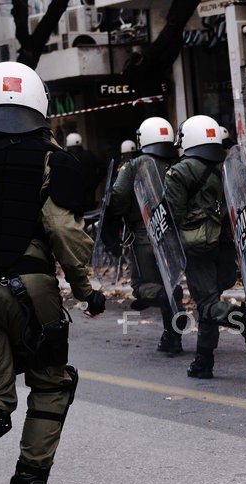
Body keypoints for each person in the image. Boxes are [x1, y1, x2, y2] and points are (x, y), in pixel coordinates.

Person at [0, 61, 105, 484]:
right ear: (39, 104)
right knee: (51, 382)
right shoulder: (52, 159)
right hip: (31, 290)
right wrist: (86, 290)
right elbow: (64, 231)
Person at [165, 114, 246, 378]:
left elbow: (173, 214)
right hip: (227, 245)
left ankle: (241, 320)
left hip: (199, 249)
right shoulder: (230, 164)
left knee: (207, 304)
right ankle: (203, 362)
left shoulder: (180, 171)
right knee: (209, 301)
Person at [103, 116, 186, 354]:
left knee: (143, 287)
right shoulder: (178, 164)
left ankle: (167, 298)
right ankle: (172, 338)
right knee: (169, 282)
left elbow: (117, 198)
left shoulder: (135, 164)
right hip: (174, 235)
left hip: (144, 236)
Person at [65, 131, 106, 212]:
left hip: (72, 199)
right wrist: (95, 182)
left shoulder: (65, 157)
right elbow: (103, 168)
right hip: (89, 197)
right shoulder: (89, 155)